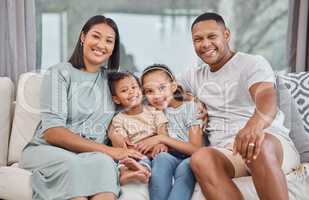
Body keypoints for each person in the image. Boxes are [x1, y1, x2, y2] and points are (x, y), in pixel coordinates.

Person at [178, 12, 301, 200]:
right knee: (201, 158)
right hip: (229, 151)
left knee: (257, 145)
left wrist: (252, 127)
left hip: (270, 144)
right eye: (198, 39)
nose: (205, 44)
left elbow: (266, 99)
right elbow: (164, 88)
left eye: (212, 36)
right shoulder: (194, 76)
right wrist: (190, 99)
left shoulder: (252, 63)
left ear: (226, 35)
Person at [20, 15, 143, 200]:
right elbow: (52, 132)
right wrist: (110, 151)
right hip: (49, 149)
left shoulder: (112, 81)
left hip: (93, 154)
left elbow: (137, 103)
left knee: (104, 163)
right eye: (96, 36)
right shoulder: (60, 73)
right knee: (76, 163)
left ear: (113, 49)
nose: (101, 45)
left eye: (109, 41)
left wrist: (115, 135)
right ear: (83, 37)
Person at [138, 64, 204, 200]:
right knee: (161, 158)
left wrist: (161, 139)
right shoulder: (152, 113)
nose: (156, 95)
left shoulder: (190, 109)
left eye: (162, 88)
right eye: (149, 91)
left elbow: (196, 148)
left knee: (186, 166)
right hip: (170, 156)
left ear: (173, 87)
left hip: (190, 157)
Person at [107, 71, 168, 185]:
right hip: (135, 152)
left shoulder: (154, 112)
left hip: (155, 152)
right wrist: (126, 147)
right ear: (116, 99)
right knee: (127, 159)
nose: (131, 92)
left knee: (159, 158)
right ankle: (127, 174)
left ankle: (140, 170)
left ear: (141, 90)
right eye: (124, 90)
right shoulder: (118, 119)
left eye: (134, 87)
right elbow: (122, 145)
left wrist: (160, 144)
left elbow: (163, 134)